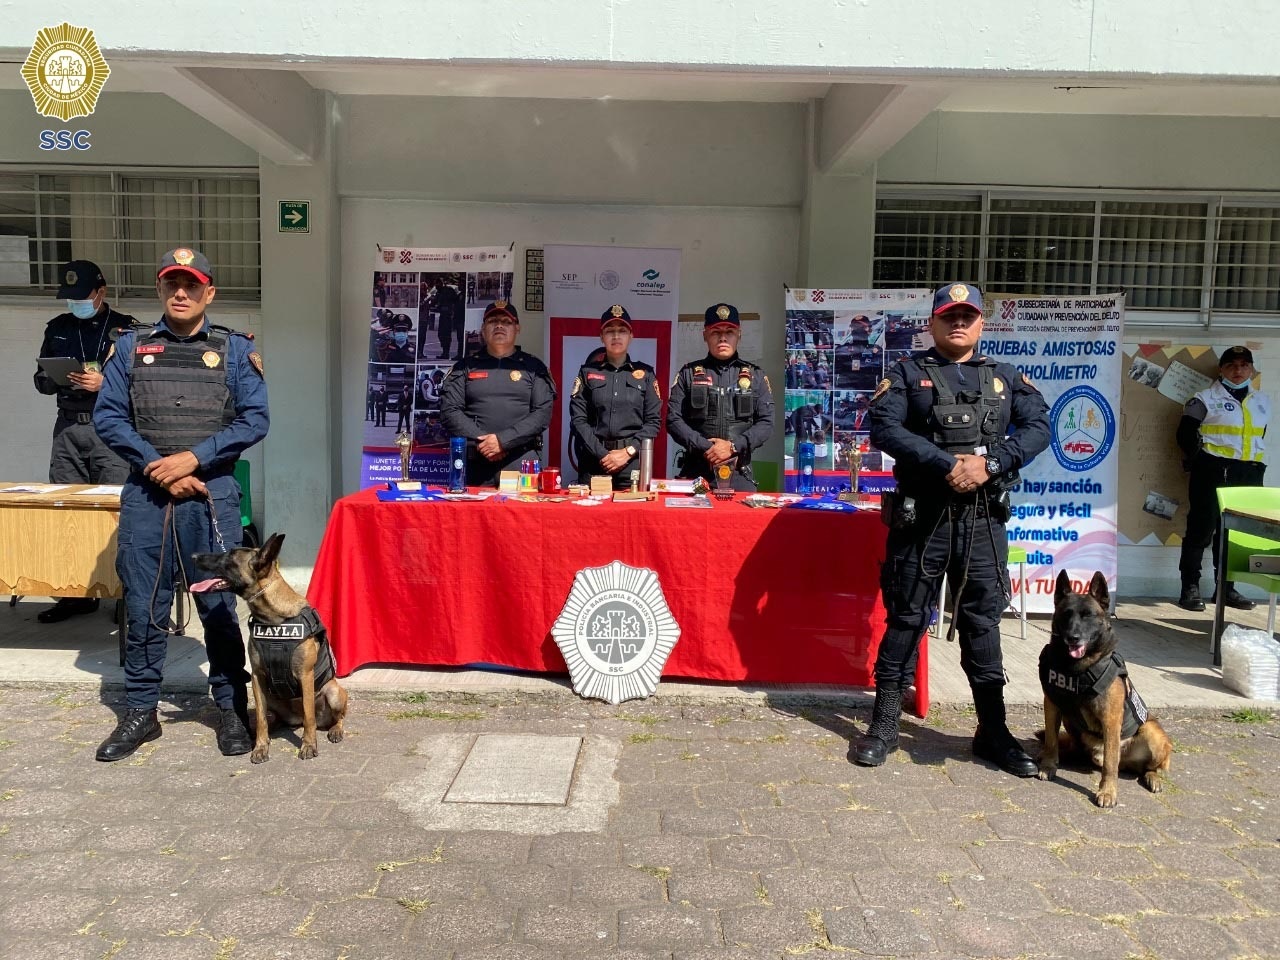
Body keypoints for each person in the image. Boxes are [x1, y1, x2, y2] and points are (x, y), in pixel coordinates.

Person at [855, 281, 1050, 777]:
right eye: (948, 316)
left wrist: (990, 464)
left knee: (983, 625)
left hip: (982, 520)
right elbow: (884, 427)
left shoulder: (1005, 376)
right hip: (924, 519)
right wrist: (947, 464)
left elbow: (1039, 427)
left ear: (981, 323)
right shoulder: (906, 374)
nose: (958, 323)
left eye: (967, 316)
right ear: (932, 323)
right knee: (905, 619)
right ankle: (882, 727)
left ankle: (993, 732)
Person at [92, 247, 269, 762]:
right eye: (172, 284)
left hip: (210, 495)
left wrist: (192, 459)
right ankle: (141, 712)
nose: (181, 293)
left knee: (217, 606)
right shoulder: (129, 348)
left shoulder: (234, 351)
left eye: (192, 285)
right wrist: (158, 467)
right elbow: (109, 419)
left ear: (209, 292)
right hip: (148, 495)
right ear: (160, 290)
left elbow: (255, 420)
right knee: (144, 608)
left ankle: (231, 708)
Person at [32, 260, 141, 623]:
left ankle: (125, 596)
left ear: (101, 292)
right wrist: (57, 378)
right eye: (69, 298)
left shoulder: (126, 330)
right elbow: (40, 381)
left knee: (116, 512)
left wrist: (105, 384)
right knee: (67, 513)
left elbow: (142, 383)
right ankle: (75, 594)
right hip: (67, 429)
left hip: (109, 430)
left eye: (82, 297)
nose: (75, 304)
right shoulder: (58, 328)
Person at [1177, 345, 1269, 611]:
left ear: (1251, 369)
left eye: (1243, 365)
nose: (1238, 371)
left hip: (1248, 471)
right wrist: (1201, 462)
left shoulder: (1263, 400)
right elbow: (1184, 435)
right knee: (1201, 530)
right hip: (1212, 470)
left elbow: (1258, 436)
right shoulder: (1203, 398)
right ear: (1221, 369)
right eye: (1231, 365)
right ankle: (1189, 588)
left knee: (1235, 534)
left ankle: (1226, 589)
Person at [439, 299, 556, 487]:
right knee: (473, 516)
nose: (499, 325)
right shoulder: (465, 367)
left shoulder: (534, 367)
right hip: (476, 462)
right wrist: (486, 442)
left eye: (506, 321)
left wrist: (503, 441)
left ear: (517, 328)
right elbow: (449, 411)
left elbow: (542, 414)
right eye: (493, 321)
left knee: (522, 516)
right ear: (483, 329)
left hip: (521, 462)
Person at [667, 303, 774, 491]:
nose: (723, 338)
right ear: (705, 336)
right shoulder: (688, 374)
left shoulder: (756, 376)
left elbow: (767, 422)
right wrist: (706, 447)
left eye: (729, 332)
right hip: (697, 472)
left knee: (741, 520)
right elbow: (673, 419)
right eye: (716, 332)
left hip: (740, 472)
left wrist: (733, 446)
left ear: (739, 335)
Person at [569, 305, 663, 489]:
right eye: (610, 330)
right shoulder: (587, 373)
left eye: (622, 330)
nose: (616, 336)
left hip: (632, 463)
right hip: (594, 461)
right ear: (601, 337)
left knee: (632, 516)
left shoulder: (646, 374)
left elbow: (653, 422)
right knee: (590, 516)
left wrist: (627, 452)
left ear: (631, 336)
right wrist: (603, 454)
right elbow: (578, 420)